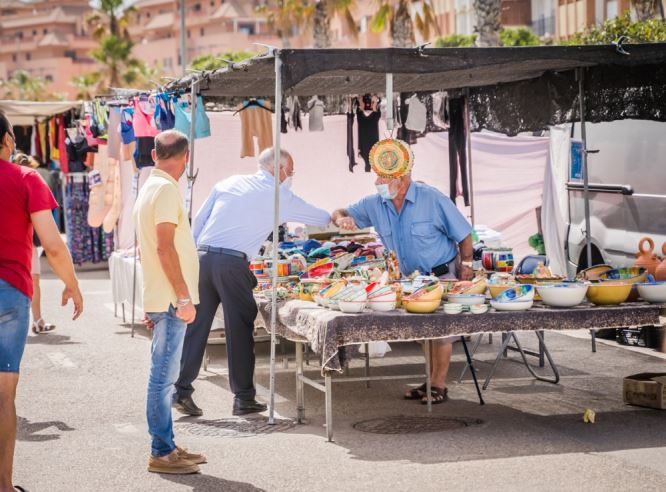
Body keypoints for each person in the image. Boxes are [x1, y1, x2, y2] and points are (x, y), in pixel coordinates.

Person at [174, 147, 331, 417]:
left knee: (197, 326)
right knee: (240, 328)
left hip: (202, 257)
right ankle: (244, 397)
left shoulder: (228, 182)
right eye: (290, 172)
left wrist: (192, 259)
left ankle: (181, 389)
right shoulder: (279, 195)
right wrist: (340, 215)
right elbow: (320, 218)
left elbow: (198, 223)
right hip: (232, 264)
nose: (290, 177)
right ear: (278, 169)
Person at [332, 156, 473, 405]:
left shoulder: (432, 198)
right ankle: (430, 381)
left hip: (440, 274)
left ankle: (439, 384)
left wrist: (468, 266)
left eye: (384, 177)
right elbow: (341, 211)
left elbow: (463, 233)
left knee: (441, 332)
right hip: (408, 281)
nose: (377, 182)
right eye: (377, 176)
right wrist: (341, 218)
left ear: (402, 178)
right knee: (422, 332)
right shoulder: (376, 203)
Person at [0, 112, 83, 492]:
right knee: (4, 394)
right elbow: (52, 244)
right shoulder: (26, 178)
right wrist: (72, 284)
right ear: (7, 141)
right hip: (9, 294)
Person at [133, 130, 205, 475]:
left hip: (163, 297)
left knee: (163, 376)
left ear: (154, 154)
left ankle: (168, 446)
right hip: (171, 299)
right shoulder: (163, 190)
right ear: (186, 157)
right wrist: (182, 296)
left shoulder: (152, 187)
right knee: (163, 379)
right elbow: (163, 247)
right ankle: (161, 451)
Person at [12, 153, 56, 334]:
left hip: (30, 241)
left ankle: (37, 320)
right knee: (19, 281)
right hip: (16, 241)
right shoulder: (13, 183)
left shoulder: (33, 183)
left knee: (34, 279)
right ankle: (22, 322)